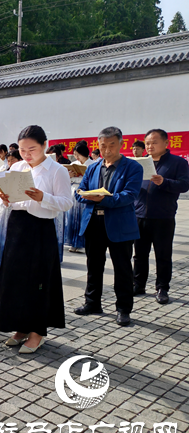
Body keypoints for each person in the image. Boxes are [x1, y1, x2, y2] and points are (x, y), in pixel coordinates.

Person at [0, 125, 72, 353]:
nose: (27, 154)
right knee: (16, 279)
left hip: (40, 229)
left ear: (45, 145)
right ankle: (21, 327)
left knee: (38, 280)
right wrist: (5, 198)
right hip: (17, 226)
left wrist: (43, 197)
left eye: (32, 149)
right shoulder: (17, 166)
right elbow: (13, 200)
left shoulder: (57, 170)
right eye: (23, 150)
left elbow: (66, 202)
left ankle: (37, 331)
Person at [74, 127, 143, 326]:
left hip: (119, 225)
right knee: (93, 266)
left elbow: (130, 195)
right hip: (94, 222)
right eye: (102, 145)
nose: (106, 150)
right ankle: (92, 302)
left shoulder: (132, 167)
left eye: (111, 145)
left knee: (122, 268)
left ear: (121, 144)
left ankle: (123, 309)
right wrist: (85, 196)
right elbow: (80, 190)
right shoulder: (94, 167)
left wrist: (103, 199)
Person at [133, 129, 189, 304]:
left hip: (163, 216)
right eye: (147, 143)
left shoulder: (177, 163)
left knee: (163, 254)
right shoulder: (138, 163)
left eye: (154, 142)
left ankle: (162, 288)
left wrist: (165, 182)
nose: (149, 146)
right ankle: (138, 284)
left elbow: (184, 185)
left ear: (166, 143)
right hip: (140, 215)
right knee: (139, 254)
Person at [0, 150, 22, 272]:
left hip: (15, 208)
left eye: (13, 159)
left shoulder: (22, 174)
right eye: (9, 160)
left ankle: (10, 263)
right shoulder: (4, 172)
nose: (10, 162)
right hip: (2, 207)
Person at [64, 142, 92, 253]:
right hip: (74, 192)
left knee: (81, 218)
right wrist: (69, 176)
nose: (76, 157)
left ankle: (81, 244)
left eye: (77, 154)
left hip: (84, 193)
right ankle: (72, 243)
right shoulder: (74, 164)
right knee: (72, 218)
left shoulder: (92, 164)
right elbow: (69, 180)